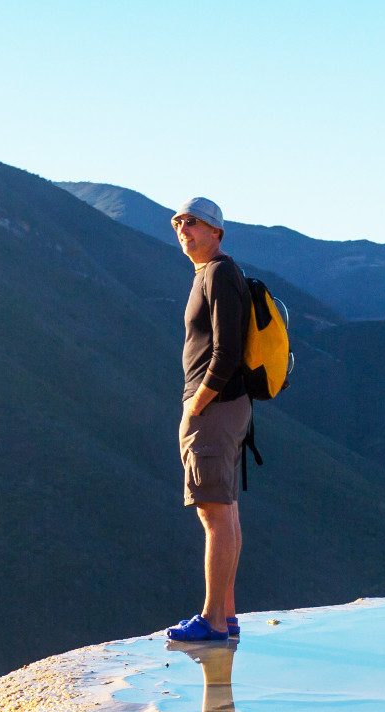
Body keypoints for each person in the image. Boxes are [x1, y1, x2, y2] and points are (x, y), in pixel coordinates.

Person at [164, 196, 250, 645]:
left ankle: (213, 620)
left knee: (213, 512)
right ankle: (227, 614)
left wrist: (198, 402)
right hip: (224, 408)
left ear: (216, 231)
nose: (183, 229)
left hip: (214, 409)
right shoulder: (213, 274)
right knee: (224, 509)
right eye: (178, 222)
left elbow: (227, 350)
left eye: (193, 223)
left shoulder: (218, 273)